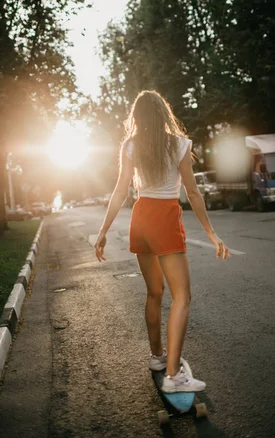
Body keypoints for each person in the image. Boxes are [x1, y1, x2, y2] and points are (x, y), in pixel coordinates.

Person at [94, 90, 230, 393]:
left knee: (154, 293)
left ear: (138, 118)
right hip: (165, 218)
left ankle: (157, 358)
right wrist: (211, 233)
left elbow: (120, 191)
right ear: (164, 113)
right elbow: (193, 193)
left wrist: (103, 231)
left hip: (140, 217)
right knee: (182, 297)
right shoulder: (180, 145)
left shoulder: (130, 146)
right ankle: (173, 375)